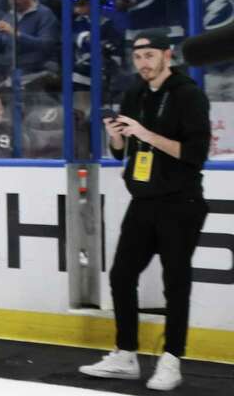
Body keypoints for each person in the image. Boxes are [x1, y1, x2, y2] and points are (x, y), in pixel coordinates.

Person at [79, 32, 211, 391]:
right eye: (138, 57)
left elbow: (196, 154)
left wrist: (146, 134)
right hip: (143, 200)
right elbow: (122, 152)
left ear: (167, 55)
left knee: (175, 282)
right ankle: (125, 353)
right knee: (121, 275)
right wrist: (117, 136)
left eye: (150, 56)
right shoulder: (134, 93)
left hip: (181, 201)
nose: (143, 64)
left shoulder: (188, 94)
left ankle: (172, 359)